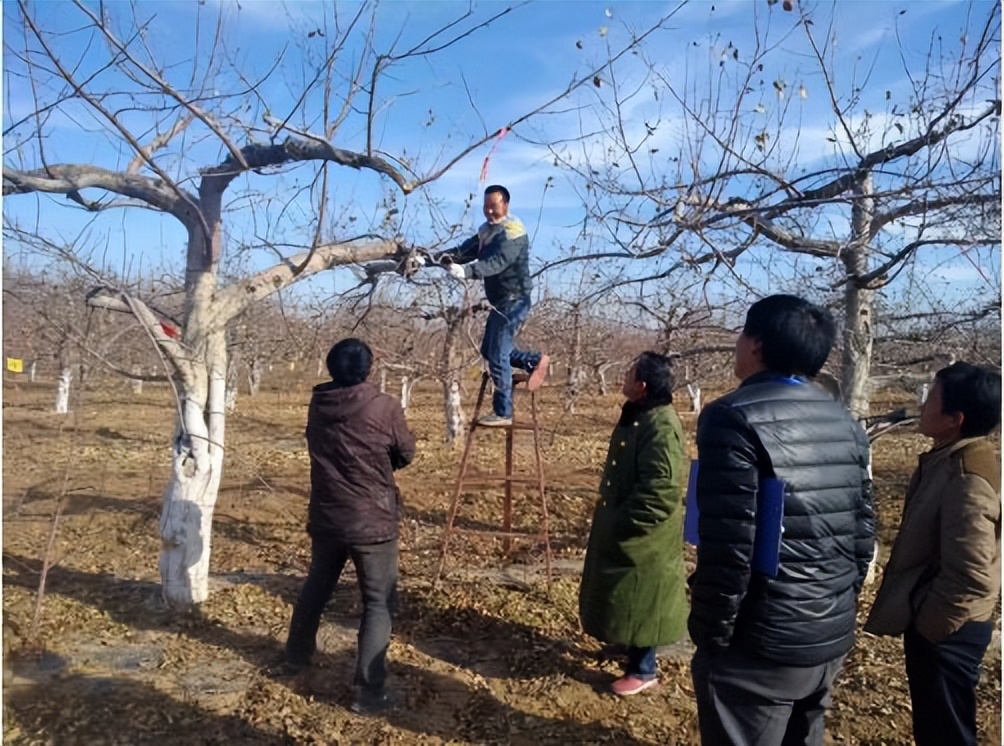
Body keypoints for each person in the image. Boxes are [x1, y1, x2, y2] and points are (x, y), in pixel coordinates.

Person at [688, 294, 875, 746]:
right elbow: (863, 532)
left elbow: (731, 544)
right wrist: (835, 609)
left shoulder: (732, 418)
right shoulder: (845, 423)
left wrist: (711, 632)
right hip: (826, 636)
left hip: (760, 647)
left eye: (741, 333)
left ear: (755, 344)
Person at [864, 362, 1001, 746]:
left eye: (931, 399)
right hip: (947, 623)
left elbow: (973, 574)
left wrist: (932, 624)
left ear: (955, 419)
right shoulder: (953, 457)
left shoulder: (966, 477)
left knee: (947, 734)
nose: (921, 406)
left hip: (950, 631)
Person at [284, 338, 416, 715]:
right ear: (369, 368)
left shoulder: (319, 403)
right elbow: (404, 453)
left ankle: (295, 657)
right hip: (372, 521)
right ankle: (369, 693)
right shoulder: (384, 406)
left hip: (327, 516)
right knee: (378, 603)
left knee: (317, 586)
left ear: (331, 368)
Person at [578, 351, 689, 696]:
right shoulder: (642, 414)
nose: (622, 378)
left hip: (645, 538)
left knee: (644, 599)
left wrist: (624, 522)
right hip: (626, 528)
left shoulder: (661, 425)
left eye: (628, 374)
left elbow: (661, 490)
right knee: (625, 596)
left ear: (641, 386)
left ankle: (644, 669)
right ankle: (628, 645)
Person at [439, 184, 549, 427]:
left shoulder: (513, 233)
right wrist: (430, 259)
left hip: (515, 299)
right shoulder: (487, 232)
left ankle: (503, 412)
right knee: (490, 350)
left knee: (498, 354)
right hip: (501, 302)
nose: (489, 211)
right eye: (486, 206)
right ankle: (534, 361)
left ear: (505, 205)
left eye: (494, 206)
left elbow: (496, 263)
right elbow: (462, 252)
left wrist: (467, 272)